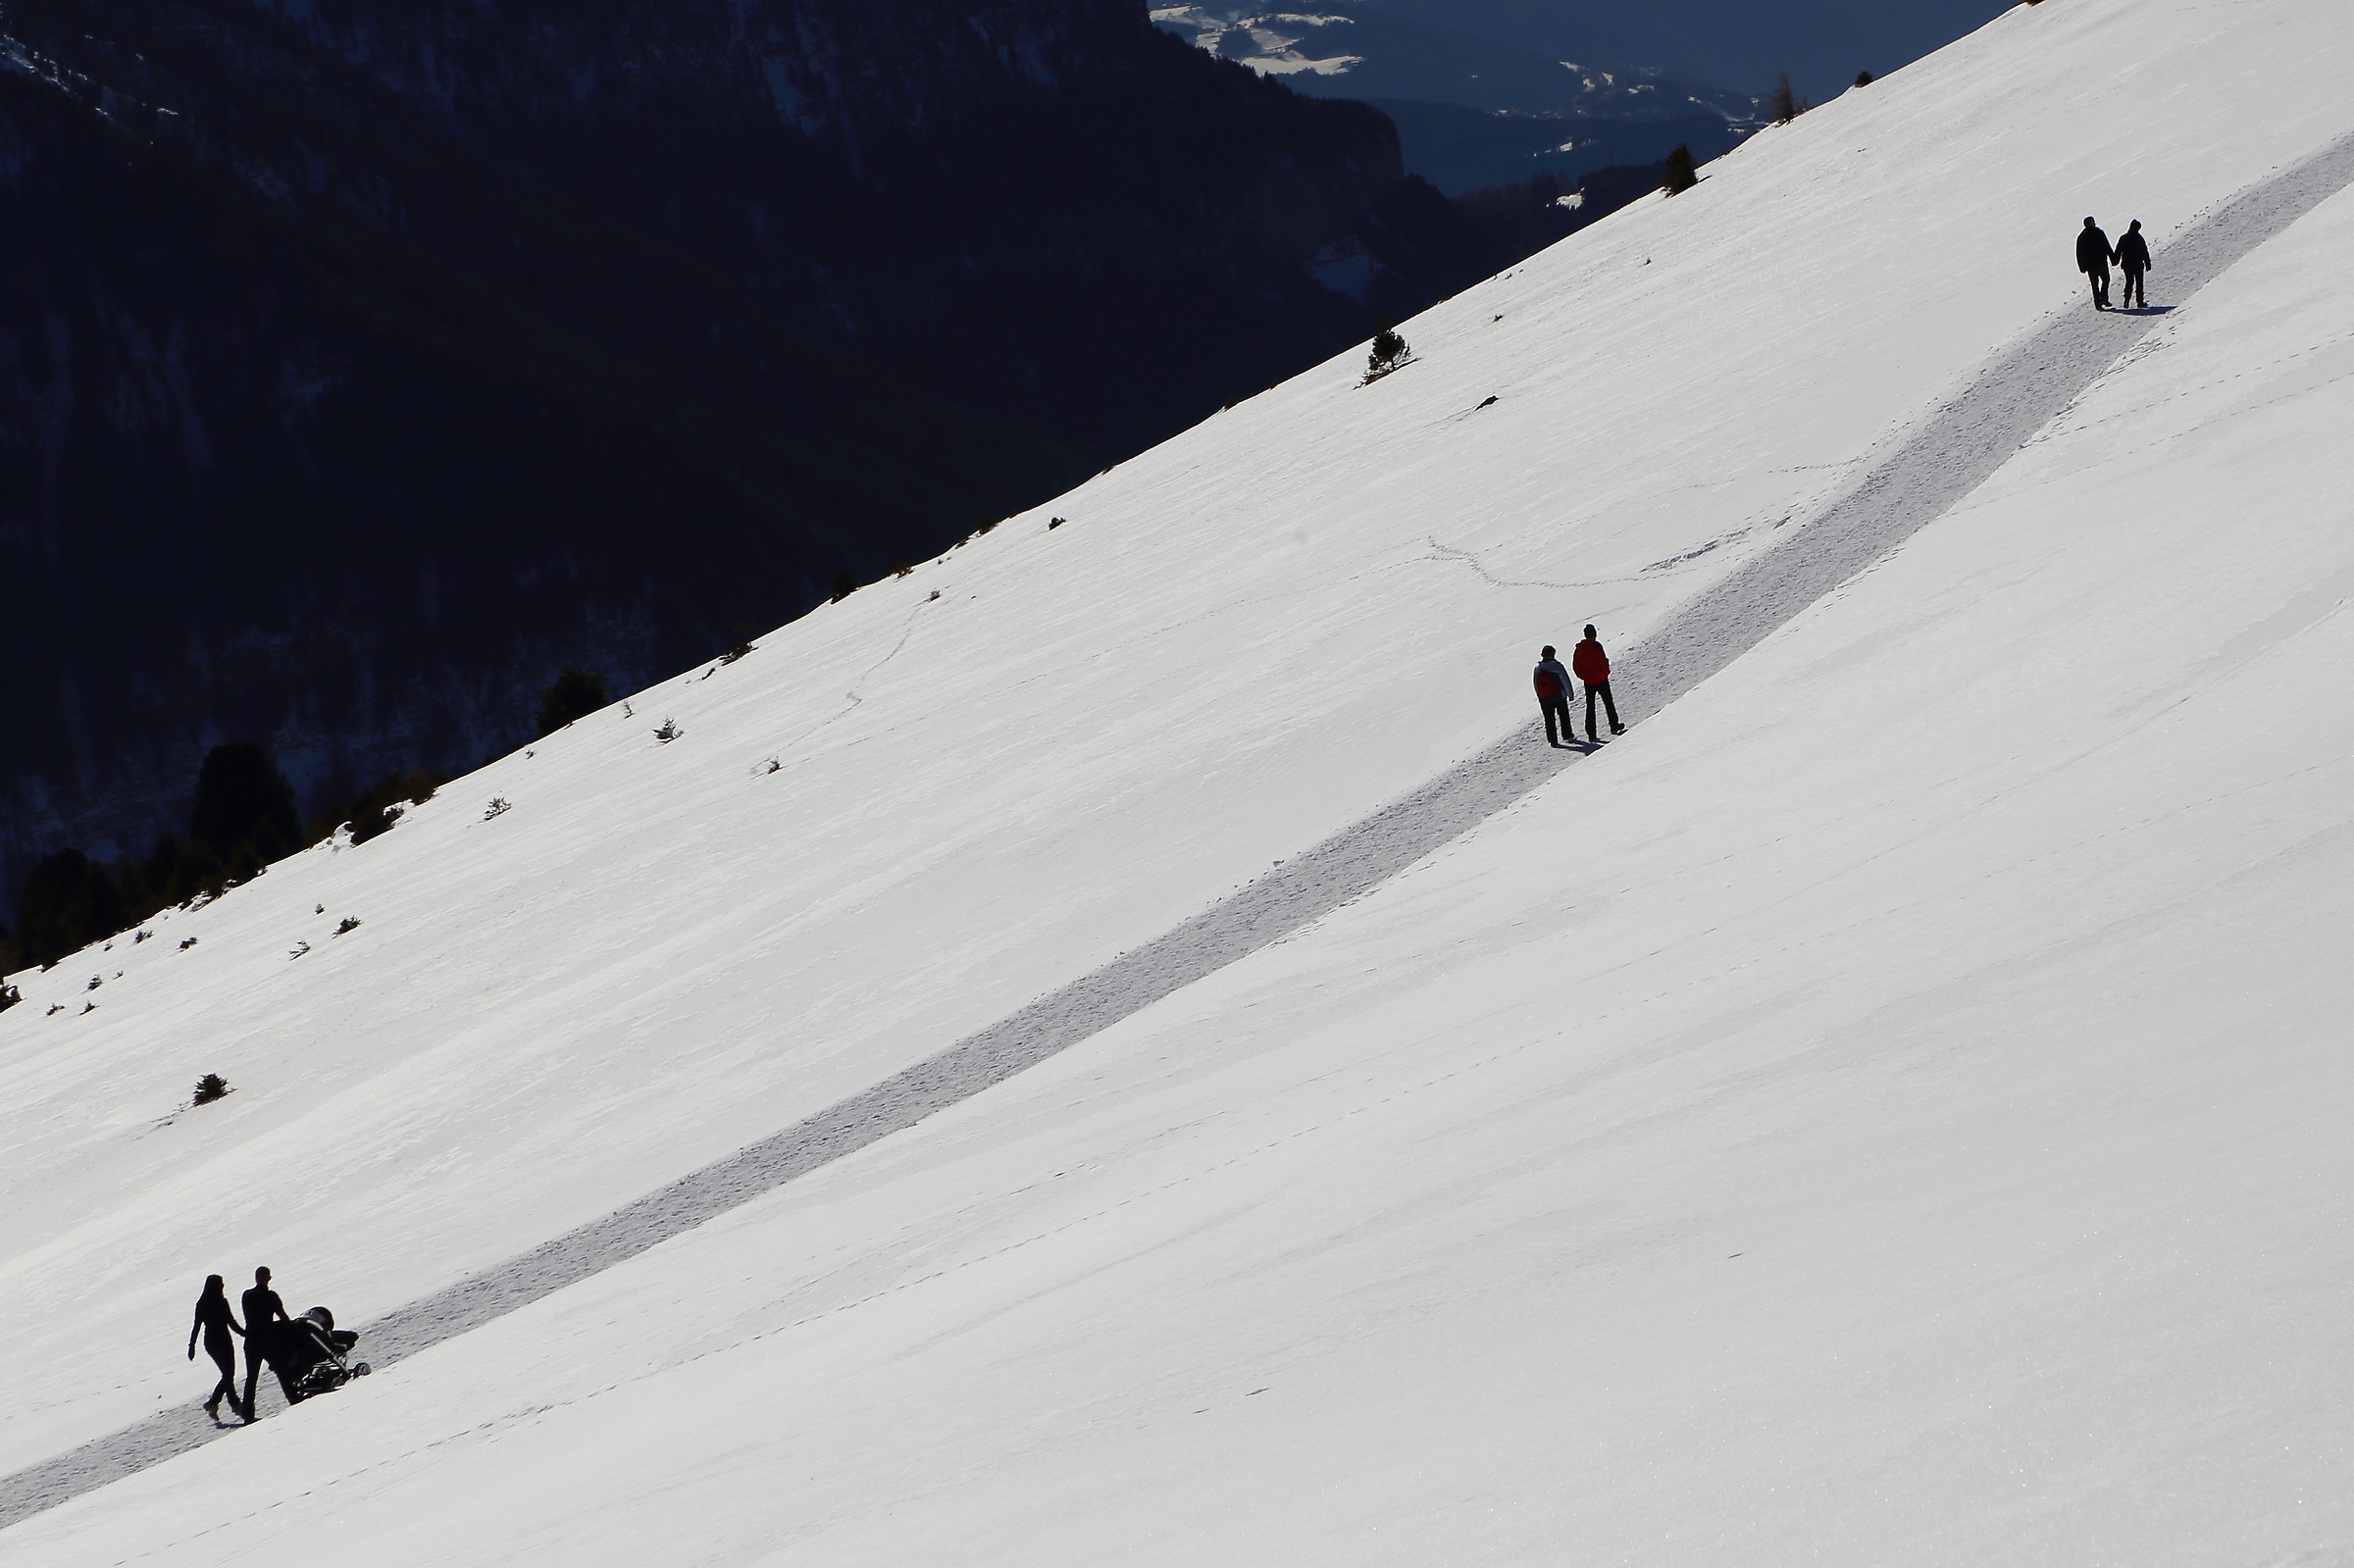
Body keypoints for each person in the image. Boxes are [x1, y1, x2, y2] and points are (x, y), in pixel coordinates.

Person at [186, 1275, 245, 1422]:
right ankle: (215, 1402)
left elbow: (197, 1326)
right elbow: (231, 1322)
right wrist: (245, 1334)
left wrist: (192, 1346)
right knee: (228, 1374)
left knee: (227, 1375)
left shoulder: (202, 1303)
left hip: (211, 1342)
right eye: (221, 1284)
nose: (223, 1286)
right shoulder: (221, 1302)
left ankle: (234, 1405)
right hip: (223, 1341)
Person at [239, 1266, 293, 1419]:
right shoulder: (271, 1296)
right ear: (268, 1279)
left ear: (256, 1278)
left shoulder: (247, 1295)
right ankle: (294, 1400)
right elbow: (283, 1316)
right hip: (268, 1341)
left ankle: (248, 1414)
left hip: (251, 1341)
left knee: (251, 1378)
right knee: (282, 1371)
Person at [1573, 625, 1624, 739]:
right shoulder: (1596, 646)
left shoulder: (1579, 649)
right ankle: (1614, 725)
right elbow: (1602, 661)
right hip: (1601, 679)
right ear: (1594, 634)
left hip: (1588, 681)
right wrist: (1605, 673)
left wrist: (1584, 677)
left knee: (1590, 707)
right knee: (1608, 703)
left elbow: (1576, 666)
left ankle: (1591, 734)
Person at [1533, 645, 1575, 747]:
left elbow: (1535, 683)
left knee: (1549, 719)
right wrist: (1570, 694)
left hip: (1544, 699)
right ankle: (1567, 734)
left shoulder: (1538, 668)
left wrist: (1540, 696)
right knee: (1564, 716)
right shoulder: (1557, 666)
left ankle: (1553, 740)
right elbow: (1565, 680)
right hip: (1558, 697)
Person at [2076, 216, 2117, 310]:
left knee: (2095, 284)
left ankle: (2098, 303)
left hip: (2090, 265)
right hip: (2101, 262)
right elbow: (2107, 246)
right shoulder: (2099, 233)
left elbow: (2079, 253)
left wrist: (2082, 266)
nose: (2094, 223)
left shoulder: (2082, 236)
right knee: (2105, 280)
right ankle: (2104, 299)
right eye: (2093, 222)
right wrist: (2112, 258)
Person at [2117, 219, 2152, 309]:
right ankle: (2140, 302)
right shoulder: (2139, 238)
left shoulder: (2123, 237)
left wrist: (2115, 260)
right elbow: (2144, 251)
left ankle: (2127, 300)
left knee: (2129, 282)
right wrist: (2148, 264)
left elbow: (2118, 250)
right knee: (2139, 283)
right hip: (2137, 264)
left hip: (2126, 264)